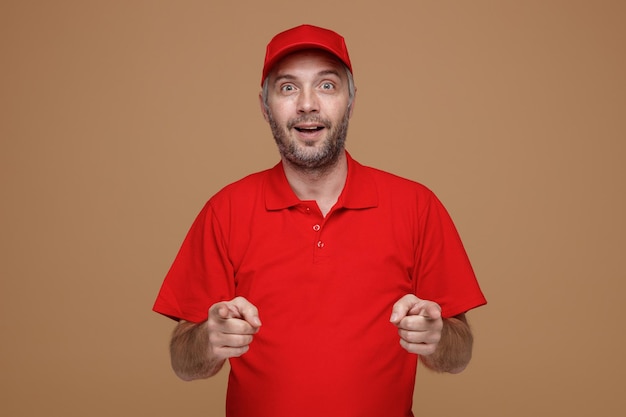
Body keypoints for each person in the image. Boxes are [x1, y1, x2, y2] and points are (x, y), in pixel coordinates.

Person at [153, 24, 486, 417]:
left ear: (351, 100)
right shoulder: (225, 211)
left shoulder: (417, 206)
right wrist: (208, 341)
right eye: (288, 87)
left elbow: (459, 352)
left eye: (326, 86)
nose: (307, 104)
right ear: (264, 106)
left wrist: (438, 335)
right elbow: (182, 361)